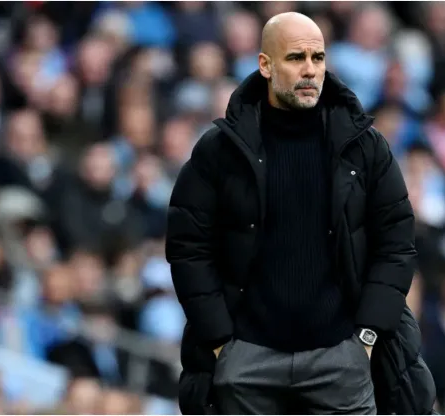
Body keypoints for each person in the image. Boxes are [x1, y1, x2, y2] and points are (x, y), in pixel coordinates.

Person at [167, 12, 425, 415]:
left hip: (341, 359)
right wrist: (220, 341)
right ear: (265, 65)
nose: (310, 70)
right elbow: (188, 247)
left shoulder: (366, 146)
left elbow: (396, 243)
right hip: (246, 360)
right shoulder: (219, 150)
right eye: (295, 58)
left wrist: (367, 339)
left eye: (318, 58)